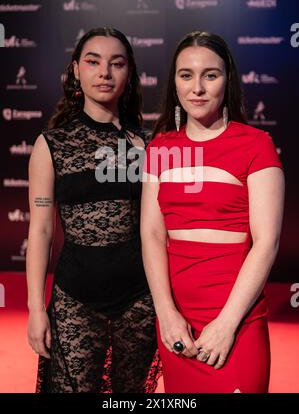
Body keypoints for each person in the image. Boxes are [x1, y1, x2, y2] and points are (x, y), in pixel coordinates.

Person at [141, 31, 285, 393]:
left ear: (228, 80)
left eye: (211, 74)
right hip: (178, 320)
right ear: (174, 83)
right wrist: (167, 314)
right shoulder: (160, 148)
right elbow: (152, 234)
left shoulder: (256, 144)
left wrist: (226, 324)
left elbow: (266, 243)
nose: (198, 88)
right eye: (186, 75)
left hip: (237, 316)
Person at [26, 27, 161, 393]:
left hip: (141, 300)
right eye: (93, 61)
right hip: (76, 299)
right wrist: (36, 309)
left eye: (116, 63)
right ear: (76, 70)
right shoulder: (51, 145)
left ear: (129, 73)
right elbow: (40, 230)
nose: (104, 72)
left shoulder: (150, 144)